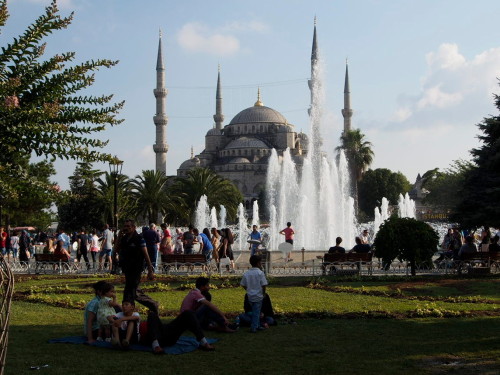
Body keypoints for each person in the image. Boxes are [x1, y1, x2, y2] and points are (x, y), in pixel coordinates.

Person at [115, 219, 157, 312]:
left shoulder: (139, 239)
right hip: (127, 268)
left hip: (136, 269)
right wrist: (119, 237)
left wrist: (150, 271)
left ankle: (152, 304)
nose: (126, 228)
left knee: (132, 292)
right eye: (124, 226)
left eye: (128, 226)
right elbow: (116, 250)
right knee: (130, 291)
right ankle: (128, 311)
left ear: (133, 228)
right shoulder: (124, 238)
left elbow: (146, 255)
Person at [141, 309, 215, 354]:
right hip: (155, 336)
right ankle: (156, 346)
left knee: (188, 313)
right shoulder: (130, 323)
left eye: (128, 304)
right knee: (151, 315)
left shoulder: (135, 316)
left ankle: (204, 342)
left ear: (132, 307)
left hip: (165, 330)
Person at [240, 255, 268, 333]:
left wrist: (248, 290)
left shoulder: (247, 273)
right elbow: (264, 284)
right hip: (258, 296)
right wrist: (263, 293)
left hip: (250, 296)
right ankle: (254, 327)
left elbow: (243, 284)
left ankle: (257, 325)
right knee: (256, 312)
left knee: (255, 311)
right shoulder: (260, 273)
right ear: (258, 263)